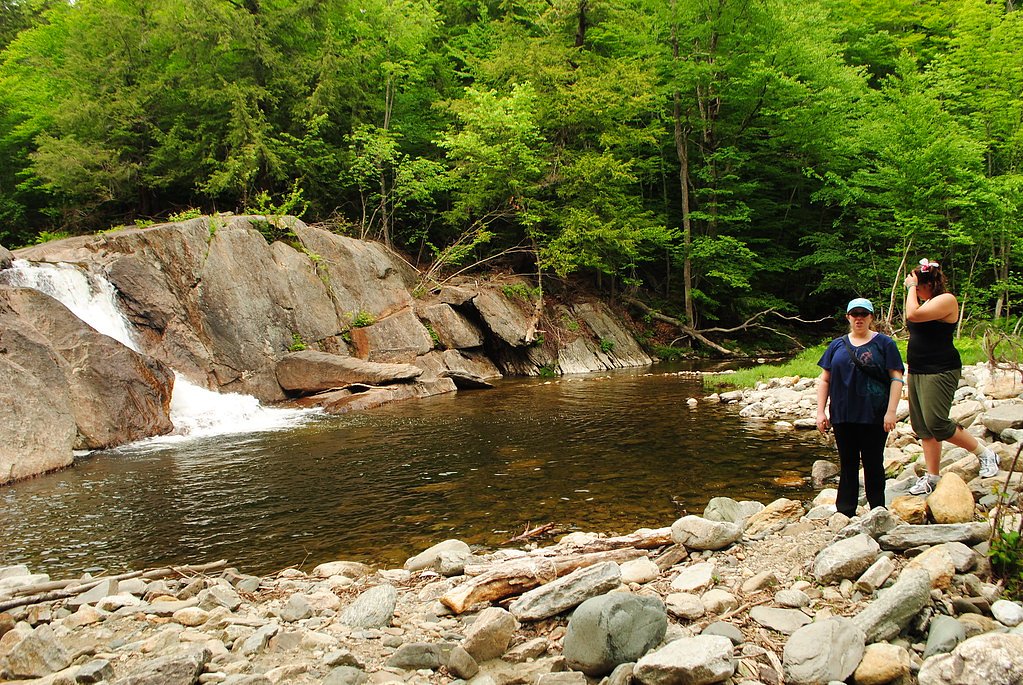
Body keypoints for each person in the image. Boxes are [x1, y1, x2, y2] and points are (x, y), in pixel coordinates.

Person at [904, 259, 1000, 495]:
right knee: (923, 426)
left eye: (917, 285)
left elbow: (913, 315)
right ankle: (933, 476)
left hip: (940, 368)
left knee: (937, 423)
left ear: (926, 284)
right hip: (918, 368)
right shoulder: (925, 301)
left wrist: (909, 289)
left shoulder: (947, 300)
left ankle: (986, 454)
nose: (914, 290)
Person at [816, 298, 905, 517]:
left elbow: (896, 378)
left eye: (863, 314)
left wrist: (891, 411)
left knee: (873, 461)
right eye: (854, 314)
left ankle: (877, 509)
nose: (859, 319)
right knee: (848, 463)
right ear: (848, 317)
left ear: (871, 317)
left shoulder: (885, 344)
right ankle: (845, 511)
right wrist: (820, 411)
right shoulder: (836, 345)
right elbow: (825, 379)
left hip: (874, 414)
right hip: (843, 414)